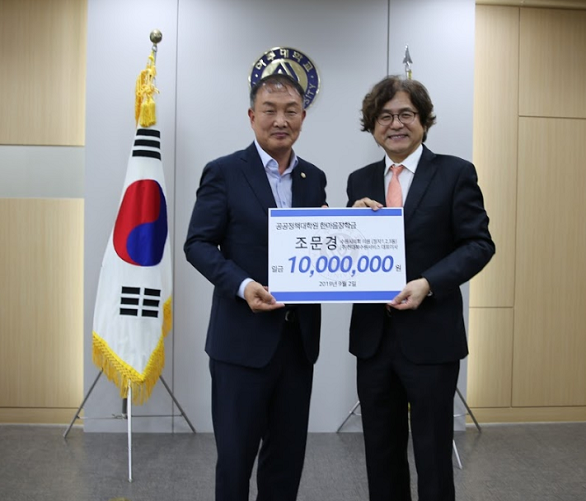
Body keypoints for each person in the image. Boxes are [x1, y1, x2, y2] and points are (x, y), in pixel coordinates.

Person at [346, 76, 495, 501]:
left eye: (406, 114)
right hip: (373, 340)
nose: (396, 124)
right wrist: (347, 219)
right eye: (385, 116)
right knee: (380, 453)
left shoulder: (455, 173)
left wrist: (429, 283)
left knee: (432, 454)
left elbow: (479, 244)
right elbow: (351, 254)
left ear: (424, 121)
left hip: (432, 339)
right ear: (373, 126)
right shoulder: (359, 180)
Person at [184, 73, 327, 501]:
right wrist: (243, 285)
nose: (281, 120)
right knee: (235, 461)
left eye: (291, 111)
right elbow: (197, 244)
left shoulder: (314, 178)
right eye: (270, 110)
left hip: (297, 344)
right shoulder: (224, 172)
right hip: (240, 345)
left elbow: (320, 242)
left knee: (286, 461)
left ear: (303, 117)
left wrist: (353, 220)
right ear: (252, 116)